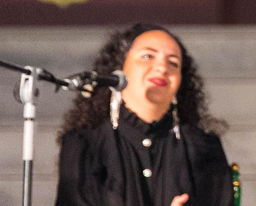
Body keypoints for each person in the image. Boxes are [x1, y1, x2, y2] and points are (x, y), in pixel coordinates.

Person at [55, 23, 231, 206]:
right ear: (119, 69)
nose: (162, 68)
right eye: (148, 56)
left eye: (173, 63)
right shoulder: (84, 144)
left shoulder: (203, 147)